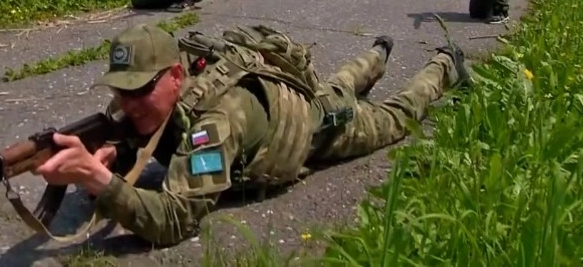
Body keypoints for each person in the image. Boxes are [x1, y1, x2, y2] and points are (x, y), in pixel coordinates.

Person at [33, 23, 472, 246]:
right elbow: (137, 133)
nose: (128, 104)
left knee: (392, 117)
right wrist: (116, 152)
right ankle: (378, 53)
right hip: (292, 97)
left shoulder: (217, 123)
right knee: (337, 84)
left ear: (174, 77)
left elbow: (174, 219)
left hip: (313, 130)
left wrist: (98, 179)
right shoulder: (148, 96)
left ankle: (442, 65)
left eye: (141, 90)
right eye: (121, 90)